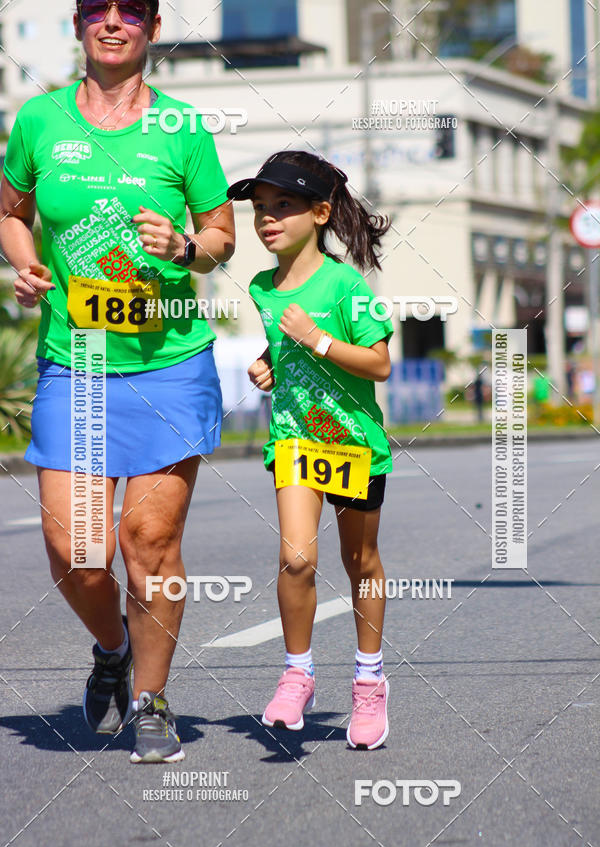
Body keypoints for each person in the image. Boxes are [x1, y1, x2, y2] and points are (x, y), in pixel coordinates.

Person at [0, 0, 235, 763]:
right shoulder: (39, 121)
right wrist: (23, 264)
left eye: (129, 10)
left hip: (169, 362)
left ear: (152, 28)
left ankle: (152, 698)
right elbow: (11, 210)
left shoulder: (183, 129)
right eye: (96, 9)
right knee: (76, 552)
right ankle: (112, 648)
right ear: (76, 25)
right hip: (80, 362)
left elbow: (221, 238)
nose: (112, 21)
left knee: (148, 539)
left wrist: (187, 242)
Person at [228, 151, 393, 750]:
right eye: (260, 209)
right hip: (295, 440)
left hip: (352, 445)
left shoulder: (346, 284)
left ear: (321, 213)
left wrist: (318, 339)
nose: (268, 219)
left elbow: (379, 363)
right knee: (297, 559)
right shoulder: (261, 286)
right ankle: (298, 673)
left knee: (360, 562)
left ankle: (369, 682)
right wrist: (269, 363)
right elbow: (285, 346)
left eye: (283, 206)